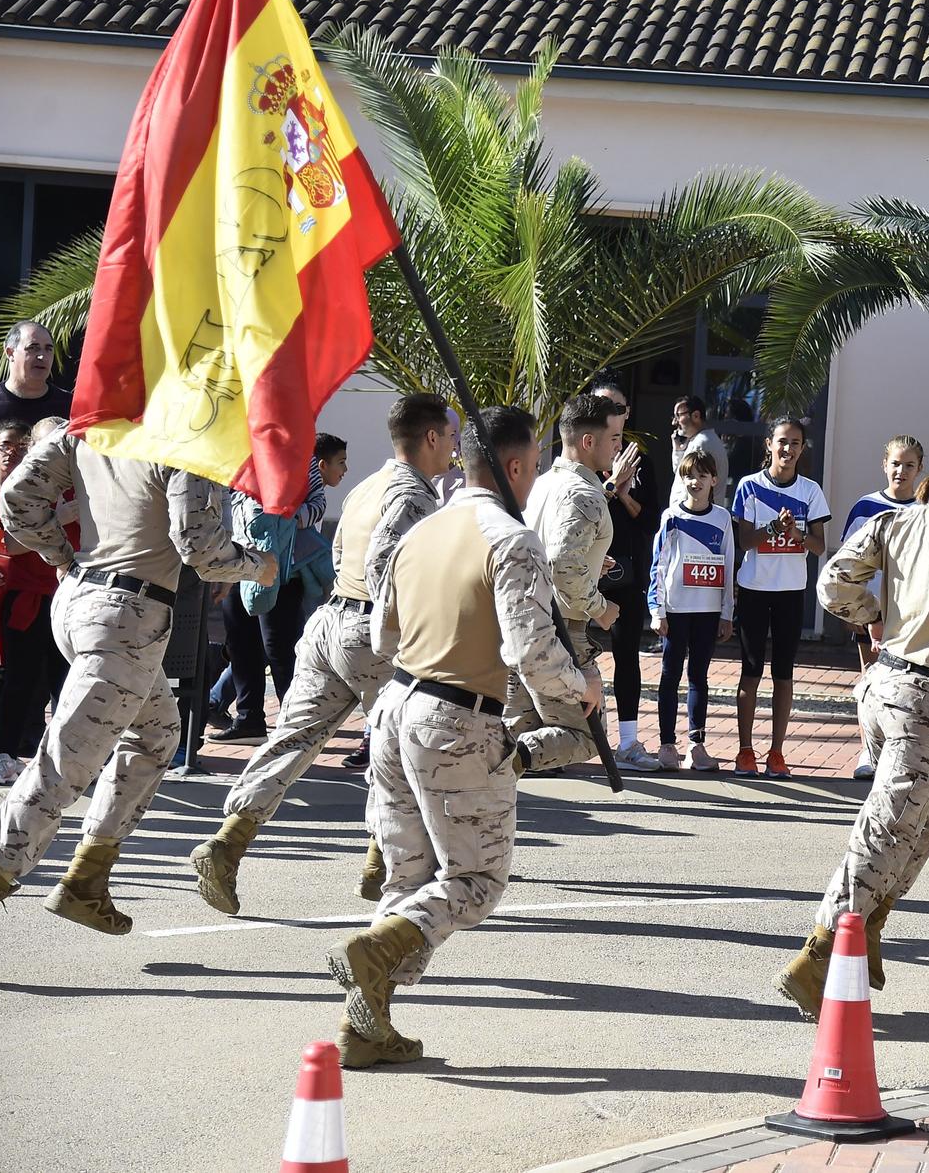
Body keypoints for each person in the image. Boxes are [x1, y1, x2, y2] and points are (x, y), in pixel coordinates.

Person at [326, 405, 602, 1067]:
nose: (535, 479)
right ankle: (378, 950)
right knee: (476, 878)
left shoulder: (424, 528)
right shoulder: (511, 538)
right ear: (512, 466)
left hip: (394, 708)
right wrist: (582, 688)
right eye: (534, 467)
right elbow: (532, 650)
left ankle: (366, 1025)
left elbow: (381, 634)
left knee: (408, 876)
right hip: (457, 716)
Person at [0, 427, 275, 981]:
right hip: (127, 617)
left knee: (155, 736)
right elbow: (198, 547)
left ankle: (88, 875)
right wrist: (256, 565)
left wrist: (63, 556)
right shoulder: (182, 440)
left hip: (84, 599)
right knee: (64, 766)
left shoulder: (93, 425)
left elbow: (15, 499)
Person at [776, 432, 929, 1017]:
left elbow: (833, 585)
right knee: (886, 828)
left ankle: (871, 926)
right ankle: (820, 949)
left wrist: (879, 618)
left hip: (882, 684)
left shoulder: (895, 523)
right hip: (926, 699)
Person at [190, 395, 452, 915]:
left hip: (331, 621)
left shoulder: (365, 486)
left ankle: (228, 841)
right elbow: (387, 566)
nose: (454, 448)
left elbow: (335, 551)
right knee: (400, 750)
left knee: (293, 738)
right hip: (374, 630)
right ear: (429, 438)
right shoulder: (414, 494)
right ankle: (385, 865)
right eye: (450, 437)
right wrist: (408, 627)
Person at [509, 394, 626, 771]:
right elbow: (562, 566)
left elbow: (553, 554)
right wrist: (601, 607)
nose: (618, 447)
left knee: (517, 729)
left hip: (523, 623)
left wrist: (590, 566)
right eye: (614, 438)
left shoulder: (542, 483)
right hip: (561, 631)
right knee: (588, 735)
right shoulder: (583, 495)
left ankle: (494, 762)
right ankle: (495, 759)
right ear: (588, 442)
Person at [839, 436, 929, 782]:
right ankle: (869, 751)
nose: (901, 471)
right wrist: (858, 615)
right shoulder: (865, 507)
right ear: (884, 465)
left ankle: (911, 755)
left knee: (912, 686)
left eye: (909, 465)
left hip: (912, 620)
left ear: (920, 469)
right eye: (895, 463)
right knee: (871, 681)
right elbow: (846, 567)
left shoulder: (928, 512)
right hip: (871, 614)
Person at [207, 441, 336, 743]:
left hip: (283, 570)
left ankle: (294, 725)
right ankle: (248, 719)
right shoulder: (237, 455)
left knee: (279, 648)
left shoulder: (300, 457)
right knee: (241, 645)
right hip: (240, 564)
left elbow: (318, 504)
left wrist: (287, 517)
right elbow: (226, 503)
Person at [0, 420, 69, 785]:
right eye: (7, 445)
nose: (14, 453)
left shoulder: (67, 491)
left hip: (52, 595)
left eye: (22, 446)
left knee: (53, 679)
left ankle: (48, 756)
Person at [729, 417, 830, 777]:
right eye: (782, 442)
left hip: (791, 591)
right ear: (769, 444)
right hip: (755, 589)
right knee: (751, 672)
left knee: (784, 674)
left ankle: (776, 752)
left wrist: (797, 533)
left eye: (796, 443)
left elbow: (820, 547)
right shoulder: (749, 486)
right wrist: (774, 527)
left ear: (803, 449)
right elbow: (744, 542)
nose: (788, 450)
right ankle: (745, 751)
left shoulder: (810, 491)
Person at [648, 447, 735, 770]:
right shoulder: (672, 517)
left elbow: (728, 564)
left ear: (714, 480)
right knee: (670, 674)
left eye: (701, 475)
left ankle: (697, 745)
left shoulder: (723, 518)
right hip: (676, 609)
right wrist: (657, 610)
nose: (694, 481)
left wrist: (727, 612)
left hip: (708, 611)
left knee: (699, 675)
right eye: (688, 476)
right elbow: (658, 565)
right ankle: (667, 744)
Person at [588, 375, 656, 771]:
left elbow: (649, 521)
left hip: (626, 575)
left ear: (627, 414)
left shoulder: (640, 460)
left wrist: (625, 493)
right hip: (581, 574)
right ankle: (566, 738)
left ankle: (628, 742)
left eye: (617, 407)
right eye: (602, 406)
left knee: (627, 655)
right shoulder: (580, 461)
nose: (610, 414)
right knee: (572, 653)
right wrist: (611, 485)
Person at [0, 322, 72, 476]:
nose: (42, 356)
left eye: (48, 349)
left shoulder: (69, 404)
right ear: (10, 352)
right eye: (33, 348)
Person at [670, 395, 729, 508]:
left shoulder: (702, 443)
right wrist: (678, 451)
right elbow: (682, 474)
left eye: (678, 415)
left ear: (696, 416)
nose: (674, 422)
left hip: (693, 518)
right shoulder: (699, 440)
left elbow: (693, 484)